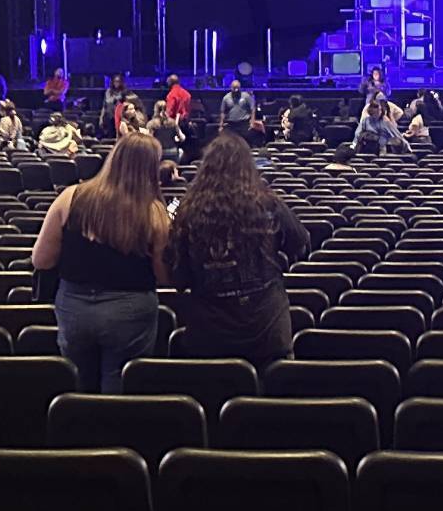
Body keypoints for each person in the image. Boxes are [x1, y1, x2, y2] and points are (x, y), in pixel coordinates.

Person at [32, 130, 169, 391]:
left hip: (74, 307)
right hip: (131, 311)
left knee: (79, 384)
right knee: (120, 391)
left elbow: (41, 260)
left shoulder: (70, 197)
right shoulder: (154, 212)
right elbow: (163, 277)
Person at [165, 132, 311, 363]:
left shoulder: (187, 210)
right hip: (267, 325)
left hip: (209, 330)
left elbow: (177, 274)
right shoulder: (267, 203)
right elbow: (301, 242)